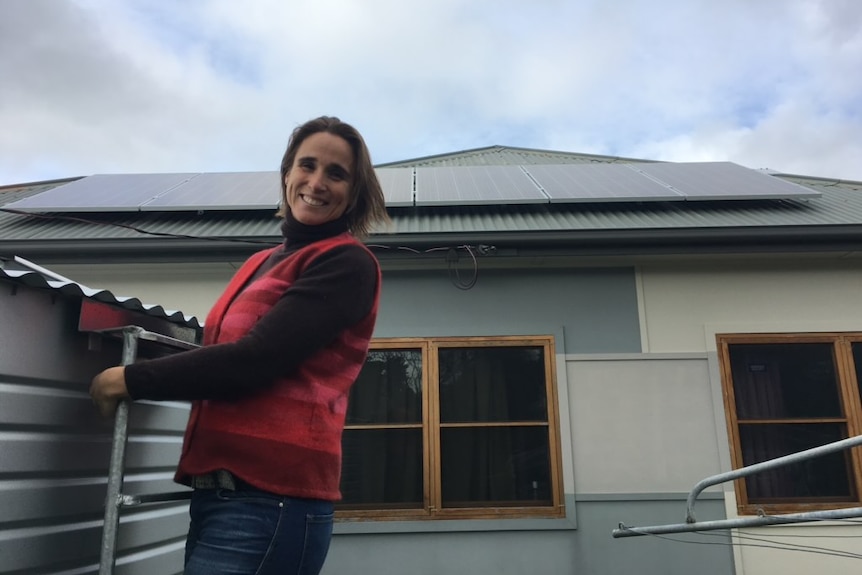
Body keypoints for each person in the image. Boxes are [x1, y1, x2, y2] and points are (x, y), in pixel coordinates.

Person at [90, 116, 389, 575]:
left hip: (272, 500)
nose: (316, 182)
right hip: (220, 493)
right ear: (287, 172)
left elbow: (254, 361)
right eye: (306, 165)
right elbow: (221, 351)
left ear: (354, 192)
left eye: (336, 173)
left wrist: (127, 380)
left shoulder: (347, 263)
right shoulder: (260, 262)